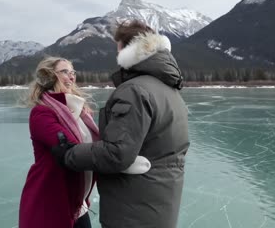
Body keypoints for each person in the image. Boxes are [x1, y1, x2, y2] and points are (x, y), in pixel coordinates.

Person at [53, 20, 190, 228]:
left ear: (128, 50)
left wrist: (69, 154)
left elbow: (116, 153)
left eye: (117, 48)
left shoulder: (134, 91)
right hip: (160, 203)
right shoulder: (170, 90)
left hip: (133, 210)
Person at [19, 57, 151, 228]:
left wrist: (121, 153)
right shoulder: (42, 113)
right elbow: (69, 150)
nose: (72, 77)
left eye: (73, 72)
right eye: (65, 72)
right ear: (49, 77)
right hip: (51, 200)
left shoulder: (79, 111)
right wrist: (117, 158)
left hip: (77, 204)